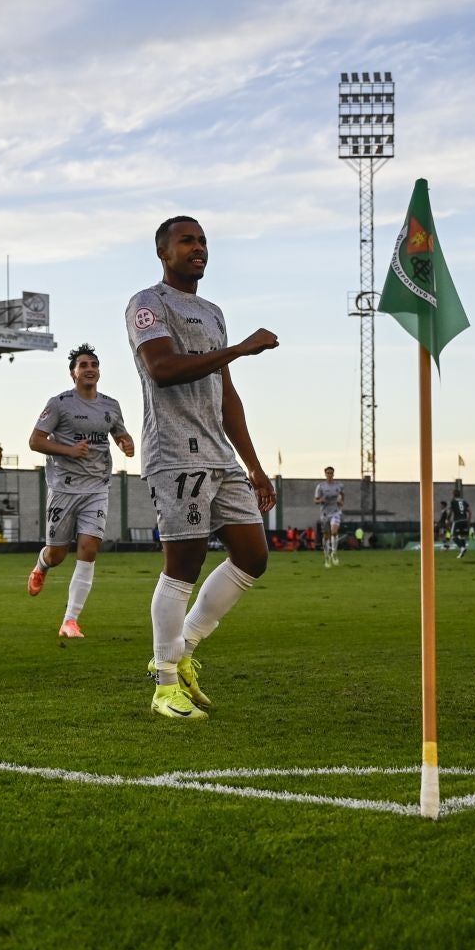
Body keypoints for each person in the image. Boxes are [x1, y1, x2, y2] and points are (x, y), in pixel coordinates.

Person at [126, 216, 277, 719]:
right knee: (183, 566)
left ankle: (182, 649)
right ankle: (165, 684)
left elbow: (225, 393)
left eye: (203, 241)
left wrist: (254, 465)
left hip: (220, 454)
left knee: (252, 556)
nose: (199, 248)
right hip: (175, 452)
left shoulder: (213, 312)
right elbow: (162, 369)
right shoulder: (149, 303)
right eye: (187, 240)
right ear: (163, 252)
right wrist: (239, 349)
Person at [26, 344, 135, 637]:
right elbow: (35, 441)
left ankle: (70, 620)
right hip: (64, 487)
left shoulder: (111, 405)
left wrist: (126, 443)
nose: (90, 369)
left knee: (89, 548)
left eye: (94, 365)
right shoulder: (59, 404)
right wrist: (69, 451)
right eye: (84, 365)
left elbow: (120, 434)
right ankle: (41, 565)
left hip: (97, 487)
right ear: (73, 373)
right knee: (57, 554)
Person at [313, 467, 346, 568]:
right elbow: (315, 500)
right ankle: (327, 557)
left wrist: (341, 501)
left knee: (334, 531)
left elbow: (342, 495)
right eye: (328, 473)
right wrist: (321, 500)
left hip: (336, 512)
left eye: (331, 473)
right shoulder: (321, 486)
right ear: (325, 474)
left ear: (333, 474)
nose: (329, 475)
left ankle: (334, 553)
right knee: (326, 536)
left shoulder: (339, 486)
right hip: (325, 514)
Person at [449, 486, 473, 559]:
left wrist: (448, 519)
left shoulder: (453, 502)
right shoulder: (464, 501)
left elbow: (450, 512)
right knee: (462, 536)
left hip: (457, 521)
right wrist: (468, 520)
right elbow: (470, 512)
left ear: (453, 495)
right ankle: (462, 553)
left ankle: (462, 548)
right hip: (465, 520)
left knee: (453, 536)